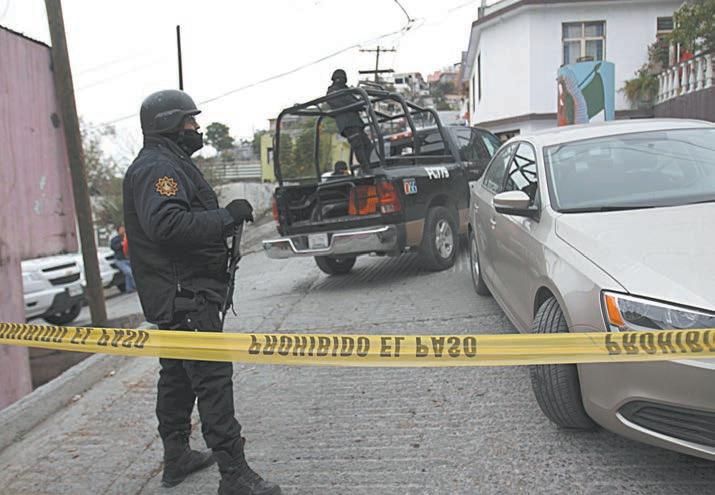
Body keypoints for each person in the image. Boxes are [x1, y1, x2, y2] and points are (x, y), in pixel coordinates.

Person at [123, 89, 281, 495]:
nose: (197, 127)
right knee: (212, 379)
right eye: (190, 120)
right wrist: (225, 217)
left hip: (179, 295)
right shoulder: (158, 168)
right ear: (168, 124)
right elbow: (168, 225)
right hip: (186, 296)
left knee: (177, 377)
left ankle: (176, 457)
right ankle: (235, 474)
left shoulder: (168, 162)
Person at [325, 69, 374, 167]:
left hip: (355, 123)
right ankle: (366, 168)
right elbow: (347, 102)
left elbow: (354, 101)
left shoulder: (346, 90)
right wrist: (358, 103)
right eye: (339, 78)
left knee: (368, 145)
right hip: (348, 124)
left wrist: (360, 102)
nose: (341, 80)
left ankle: (372, 165)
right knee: (358, 146)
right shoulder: (333, 91)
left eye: (342, 78)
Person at [110, 225, 135, 293]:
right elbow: (113, 247)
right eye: (121, 229)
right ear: (118, 231)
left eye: (123, 229)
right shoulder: (115, 239)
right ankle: (135, 286)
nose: (123, 230)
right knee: (129, 272)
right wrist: (121, 244)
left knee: (128, 274)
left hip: (128, 258)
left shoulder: (127, 237)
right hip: (120, 260)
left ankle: (129, 288)